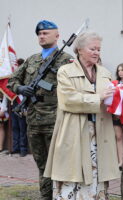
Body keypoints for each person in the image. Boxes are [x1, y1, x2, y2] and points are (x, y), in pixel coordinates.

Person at [44, 31, 120, 200]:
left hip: (100, 134)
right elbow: (68, 100)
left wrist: (119, 100)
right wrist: (98, 97)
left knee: (97, 176)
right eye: (92, 48)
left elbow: (111, 100)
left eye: (99, 49)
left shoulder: (105, 73)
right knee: (72, 174)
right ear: (79, 49)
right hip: (74, 132)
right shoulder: (65, 71)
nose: (96, 52)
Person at [7, 20, 73, 200]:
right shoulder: (31, 59)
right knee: (42, 163)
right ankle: (46, 196)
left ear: (57, 36)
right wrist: (21, 89)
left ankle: (62, 195)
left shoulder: (66, 60)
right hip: (33, 120)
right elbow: (11, 81)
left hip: (56, 120)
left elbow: (72, 88)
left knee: (59, 163)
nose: (41, 36)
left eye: (45, 33)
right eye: (39, 34)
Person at [10, 58, 28, 157]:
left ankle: (23, 149)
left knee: (22, 128)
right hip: (14, 104)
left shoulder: (25, 78)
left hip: (23, 104)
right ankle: (15, 147)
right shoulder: (14, 78)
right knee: (15, 127)